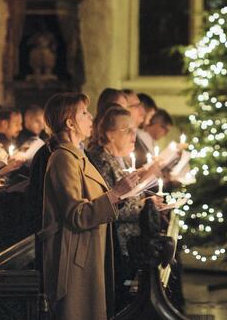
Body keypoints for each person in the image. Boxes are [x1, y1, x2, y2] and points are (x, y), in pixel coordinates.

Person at [38, 92, 140, 320]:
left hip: (88, 253)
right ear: (69, 122)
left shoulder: (78, 156)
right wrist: (115, 193)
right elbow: (76, 214)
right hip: (75, 259)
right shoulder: (63, 158)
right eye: (84, 112)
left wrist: (119, 196)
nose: (91, 116)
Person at [87, 105, 162, 311]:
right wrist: (145, 205)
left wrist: (148, 201)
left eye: (134, 129)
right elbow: (113, 206)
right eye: (126, 130)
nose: (133, 135)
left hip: (131, 240)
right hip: (118, 244)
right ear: (109, 134)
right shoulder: (101, 161)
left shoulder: (120, 160)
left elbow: (129, 195)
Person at [123, 89, 152, 167]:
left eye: (141, 106)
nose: (142, 111)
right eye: (137, 106)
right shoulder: (122, 139)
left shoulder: (137, 135)